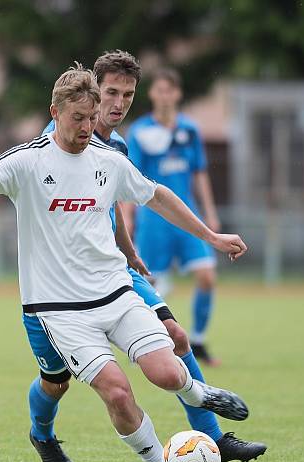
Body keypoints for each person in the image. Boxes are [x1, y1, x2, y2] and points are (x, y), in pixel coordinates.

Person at [0, 63, 252, 462]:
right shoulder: (28, 161)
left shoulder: (109, 159)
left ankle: (199, 397)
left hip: (115, 292)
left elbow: (157, 196)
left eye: (92, 118)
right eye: (78, 118)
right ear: (55, 112)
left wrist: (210, 236)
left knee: (167, 369)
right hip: (59, 311)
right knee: (114, 391)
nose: (88, 126)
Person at [31, 50, 266, 462]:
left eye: (127, 95)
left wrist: (127, 249)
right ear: (90, 92)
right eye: (111, 93)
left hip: (112, 273)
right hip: (56, 289)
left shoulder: (115, 144)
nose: (118, 104)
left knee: (174, 335)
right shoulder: (60, 138)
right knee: (55, 380)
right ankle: (41, 434)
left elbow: (111, 198)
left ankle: (212, 437)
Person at [123, 68, 221, 365]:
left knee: (206, 276)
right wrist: (127, 216)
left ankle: (199, 340)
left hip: (186, 215)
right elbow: (129, 177)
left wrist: (211, 213)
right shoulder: (140, 132)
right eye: (159, 90)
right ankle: (146, 343)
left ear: (177, 94)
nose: (164, 96)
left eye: (169, 90)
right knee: (147, 284)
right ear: (152, 94)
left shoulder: (190, 131)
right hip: (154, 221)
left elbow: (200, 173)